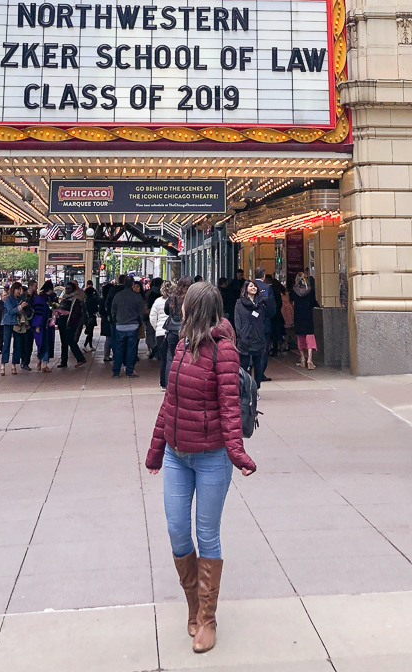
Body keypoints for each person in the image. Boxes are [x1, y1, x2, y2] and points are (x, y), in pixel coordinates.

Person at [146, 281, 255, 655]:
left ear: (194, 308)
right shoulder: (181, 346)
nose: (179, 308)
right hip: (178, 454)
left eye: (185, 305)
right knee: (178, 531)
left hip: (212, 457)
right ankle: (192, 606)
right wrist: (156, 451)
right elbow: (169, 403)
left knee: (206, 534)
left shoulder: (224, 351)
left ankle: (207, 619)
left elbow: (229, 408)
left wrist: (238, 456)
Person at [234, 278, 269, 385]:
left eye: (254, 286)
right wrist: (240, 334)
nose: (253, 288)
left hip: (258, 337)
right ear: (246, 289)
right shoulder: (239, 303)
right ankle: (244, 387)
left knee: (258, 365)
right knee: (244, 365)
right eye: (251, 286)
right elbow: (237, 320)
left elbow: (265, 317)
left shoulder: (261, 303)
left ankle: (257, 387)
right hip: (245, 339)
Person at [110, 274, 146, 378]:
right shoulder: (137, 296)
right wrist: (140, 322)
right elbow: (141, 312)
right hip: (133, 325)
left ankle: (116, 371)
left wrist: (115, 320)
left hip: (120, 325)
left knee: (119, 348)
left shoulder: (118, 296)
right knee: (131, 349)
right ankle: (129, 370)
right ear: (133, 284)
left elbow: (113, 310)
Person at [291, 272, 320, 369]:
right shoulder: (310, 290)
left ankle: (303, 358)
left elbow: (292, 302)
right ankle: (310, 360)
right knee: (310, 336)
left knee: (300, 336)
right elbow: (313, 303)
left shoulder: (294, 290)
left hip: (298, 315)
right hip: (308, 315)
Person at [56, 282, 86, 368]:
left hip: (69, 323)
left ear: (73, 289)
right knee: (64, 342)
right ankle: (64, 361)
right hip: (62, 322)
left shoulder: (75, 299)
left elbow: (75, 313)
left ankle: (80, 358)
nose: (67, 290)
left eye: (69, 288)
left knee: (70, 341)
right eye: (66, 288)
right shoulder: (65, 298)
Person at [253, 268, 276, 381]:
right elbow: (272, 307)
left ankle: (250, 370)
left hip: (252, 323)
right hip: (265, 323)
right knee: (264, 349)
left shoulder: (248, 286)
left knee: (252, 347)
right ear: (264, 276)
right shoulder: (267, 288)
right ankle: (260, 373)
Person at [151, 280, 173, 388]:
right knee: (172, 357)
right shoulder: (175, 301)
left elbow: (152, 317)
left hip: (160, 332)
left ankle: (163, 382)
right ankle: (171, 381)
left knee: (163, 359)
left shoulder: (157, 302)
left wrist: (157, 328)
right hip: (172, 331)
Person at [32, 280, 57, 372]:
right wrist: (37, 325)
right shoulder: (41, 299)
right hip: (42, 325)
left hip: (47, 324)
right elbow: (38, 312)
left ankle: (41, 361)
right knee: (43, 343)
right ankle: (44, 363)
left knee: (45, 343)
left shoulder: (47, 298)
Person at [1, 282, 24, 375]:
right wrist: (20, 307)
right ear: (14, 289)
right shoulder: (9, 299)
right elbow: (10, 311)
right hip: (8, 323)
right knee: (6, 344)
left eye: (20, 290)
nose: (19, 291)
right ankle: (3, 364)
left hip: (17, 324)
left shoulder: (18, 299)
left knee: (17, 345)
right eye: (18, 289)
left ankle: (14, 364)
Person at [15, 284, 35, 370]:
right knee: (23, 344)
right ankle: (23, 361)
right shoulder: (19, 299)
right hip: (23, 323)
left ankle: (25, 362)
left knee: (27, 344)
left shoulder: (33, 297)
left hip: (28, 323)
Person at [145, 276, 163, 359]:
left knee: (150, 334)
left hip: (150, 314)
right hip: (161, 316)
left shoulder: (149, 293)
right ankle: (158, 350)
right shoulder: (162, 294)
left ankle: (154, 348)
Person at [270, 277, 286, 356]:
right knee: (276, 331)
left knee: (270, 332)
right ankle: (275, 348)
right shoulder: (277, 290)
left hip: (270, 314)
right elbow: (280, 302)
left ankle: (271, 348)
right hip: (276, 314)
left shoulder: (268, 290)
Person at [101, 281, 116, 362]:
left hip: (106, 321)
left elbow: (101, 311)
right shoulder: (112, 299)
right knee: (111, 338)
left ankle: (106, 355)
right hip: (110, 320)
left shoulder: (103, 299)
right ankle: (112, 354)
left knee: (108, 339)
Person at [83, 282, 99, 349]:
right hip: (92, 315)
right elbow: (98, 300)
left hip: (87, 315)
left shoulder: (85, 299)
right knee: (90, 331)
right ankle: (85, 345)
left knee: (90, 330)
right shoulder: (93, 298)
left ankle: (89, 345)